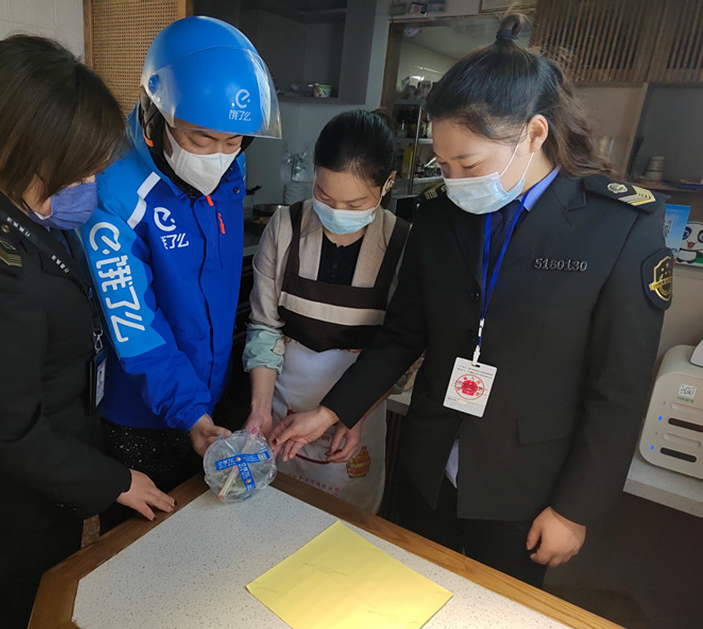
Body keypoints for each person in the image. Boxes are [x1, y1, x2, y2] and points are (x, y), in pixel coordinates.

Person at [272, 14, 672, 588]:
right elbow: (402, 336)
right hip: (429, 462)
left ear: (533, 135)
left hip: (525, 486)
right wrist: (333, 410)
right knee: (403, 591)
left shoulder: (617, 226)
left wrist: (575, 508)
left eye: (470, 164)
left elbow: (620, 388)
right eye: (444, 164)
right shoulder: (442, 216)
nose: (457, 179)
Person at [0, 36, 175, 629]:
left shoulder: (4, 201)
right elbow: (11, 431)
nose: (89, 182)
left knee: (54, 588)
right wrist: (115, 481)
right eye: (78, 169)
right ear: (20, 150)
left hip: (49, 457)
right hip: (10, 488)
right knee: (23, 608)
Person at [78, 16, 281, 528]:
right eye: (201, 138)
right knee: (139, 544)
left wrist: (205, 407)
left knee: (211, 533)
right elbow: (136, 328)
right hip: (144, 413)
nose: (219, 157)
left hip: (209, 396)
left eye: (234, 141)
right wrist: (190, 409)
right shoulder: (114, 195)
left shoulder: (229, 165)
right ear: (155, 115)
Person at [243, 110, 409, 513]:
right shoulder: (285, 227)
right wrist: (260, 411)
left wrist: (353, 414)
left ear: (387, 183)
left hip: (357, 416)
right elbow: (265, 326)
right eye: (324, 196)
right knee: (274, 510)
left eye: (355, 203)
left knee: (345, 523)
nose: (337, 211)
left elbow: (401, 352)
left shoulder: (403, 245)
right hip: (283, 404)